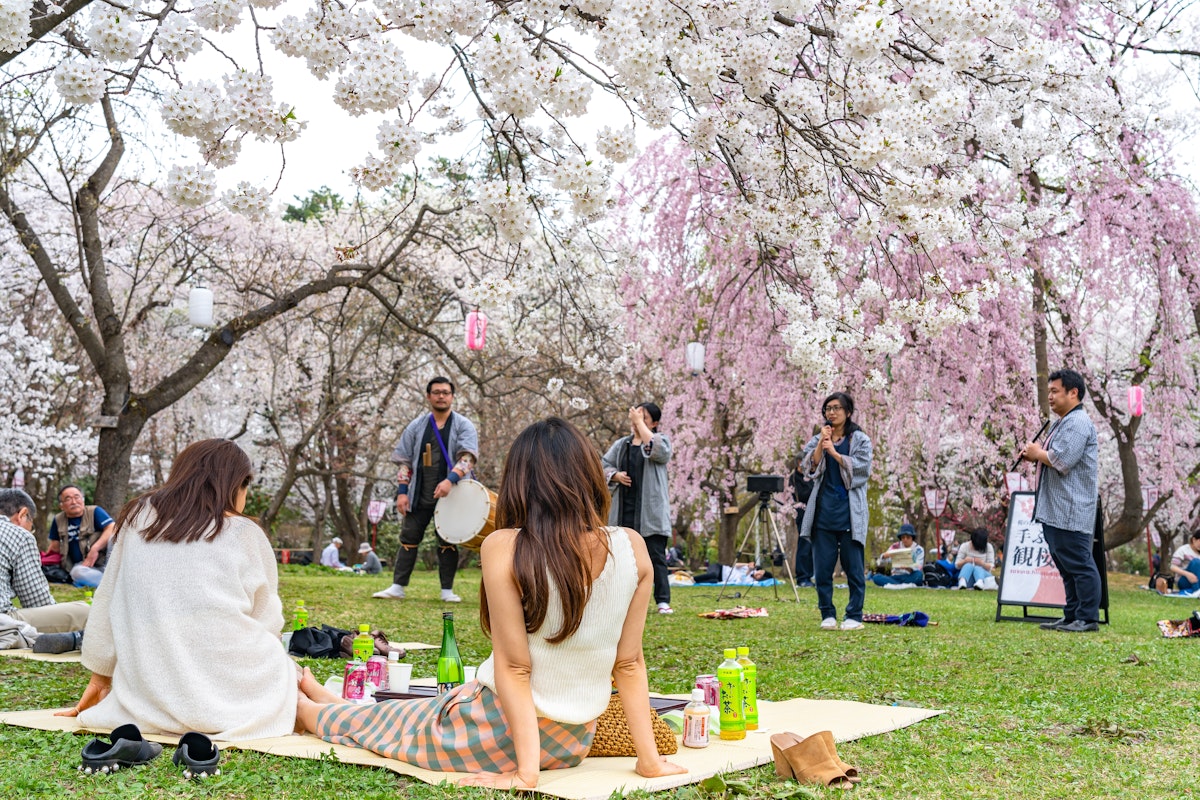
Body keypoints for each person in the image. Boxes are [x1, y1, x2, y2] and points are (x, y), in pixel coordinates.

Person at [295, 417, 687, 789]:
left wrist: (525, 774)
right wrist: (648, 760)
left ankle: (310, 706)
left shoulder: (505, 546)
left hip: (487, 731)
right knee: (386, 717)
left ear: (520, 482)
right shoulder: (633, 546)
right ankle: (332, 701)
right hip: (570, 745)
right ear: (588, 477)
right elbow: (629, 664)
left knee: (370, 725)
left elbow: (515, 669)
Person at [57, 439, 297, 740]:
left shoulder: (137, 517)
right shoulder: (245, 532)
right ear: (234, 485)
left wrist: (100, 676)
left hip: (150, 691)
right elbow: (268, 621)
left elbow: (108, 599)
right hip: (233, 691)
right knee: (291, 673)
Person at [374, 377, 479, 603]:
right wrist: (402, 492)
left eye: (445, 392)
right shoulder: (416, 426)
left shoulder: (463, 425)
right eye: (436, 392)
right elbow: (404, 462)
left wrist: (450, 480)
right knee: (408, 538)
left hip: (452, 495)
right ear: (428, 396)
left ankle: (447, 591)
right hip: (420, 493)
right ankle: (397, 587)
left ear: (452, 396)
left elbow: (468, 458)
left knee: (447, 542)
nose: (441, 396)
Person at [1021, 369, 1101, 633]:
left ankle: (1087, 618)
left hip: (1071, 509)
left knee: (1079, 564)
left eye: (1055, 391)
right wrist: (1037, 454)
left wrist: (1037, 452)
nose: (1050, 396)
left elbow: (1063, 460)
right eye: (1050, 391)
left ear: (1073, 392)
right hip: (1057, 509)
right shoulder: (1062, 422)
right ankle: (1072, 615)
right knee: (1067, 566)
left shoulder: (1078, 422)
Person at [798, 392, 873, 630]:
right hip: (824, 511)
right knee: (822, 569)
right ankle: (827, 614)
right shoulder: (819, 437)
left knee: (853, 568)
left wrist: (836, 454)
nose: (831, 412)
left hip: (851, 512)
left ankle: (854, 615)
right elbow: (808, 467)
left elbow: (863, 470)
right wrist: (822, 444)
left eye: (837, 408)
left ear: (848, 412)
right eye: (828, 408)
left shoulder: (860, 439)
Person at [601, 403, 674, 615]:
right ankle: (620, 601)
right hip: (624, 511)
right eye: (636, 415)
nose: (637, 420)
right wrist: (615, 475)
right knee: (621, 558)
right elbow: (603, 464)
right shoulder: (622, 444)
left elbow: (658, 451)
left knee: (656, 557)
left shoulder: (661, 441)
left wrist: (640, 424)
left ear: (655, 422)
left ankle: (662, 601)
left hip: (650, 513)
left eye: (644, 416)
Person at [0, 489, 90, 634]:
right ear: (23, 514)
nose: (30, 531)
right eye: (31, 526)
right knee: (85, 612)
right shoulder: (20, 535)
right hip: (3, 623)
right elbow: (38, 602)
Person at [47, 484, 116, 576]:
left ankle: (110, 579)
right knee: (77, 572)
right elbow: (54, 547)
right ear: (61, 505)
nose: (74, 502)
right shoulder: (58, 520)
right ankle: (106, 583)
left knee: (112, 539)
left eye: (77, 497)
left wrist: (95, 549)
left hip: (102, 564)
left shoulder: (95, 511)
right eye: (68, 499)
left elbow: (112, 528)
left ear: (83, 500)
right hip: (80, 568)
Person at [788, 454, 815, 587]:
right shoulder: (793, 478)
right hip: (802, 513)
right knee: (805, 544)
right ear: (799, 463)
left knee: (812, 546)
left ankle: (809, 575)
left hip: (814, 512)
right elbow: (801, 495)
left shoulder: (811, 476)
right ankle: (802, 577)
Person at [692, 561, 773, 584]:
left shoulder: (751, 581)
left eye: (760, 576)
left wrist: (749, 570)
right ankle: (692, 578)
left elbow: (743, 578)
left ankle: (694, 581)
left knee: (714, 581)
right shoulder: (750, 567)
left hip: (721, 578)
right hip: (719, 568)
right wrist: (747, 565)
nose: (758, 574)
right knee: (714, 574)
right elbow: (736, 565)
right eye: (760, 572)